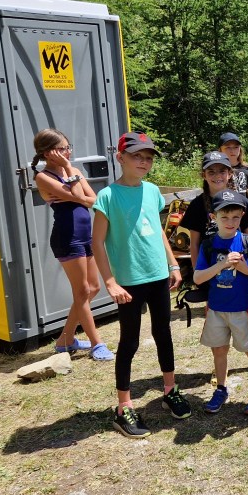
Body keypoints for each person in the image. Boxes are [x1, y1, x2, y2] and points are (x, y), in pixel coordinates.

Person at [93, 132, 190, 439]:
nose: (144, 162)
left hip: (158, 276)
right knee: (129, 342)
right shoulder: (107, 196)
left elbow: (158, 231)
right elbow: (96, 243)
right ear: (120, 158)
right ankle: (123, 407)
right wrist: (110, 282)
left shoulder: (152, 191)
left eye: (148, 157)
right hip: (129, 282)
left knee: (163, 334)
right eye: (137, 156)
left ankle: (170, 390)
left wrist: (172, 264)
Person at [31, 129, 113, 361]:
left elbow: (94, 200)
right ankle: (97, 343)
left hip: (87, 235)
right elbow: (78, 196)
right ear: (49, 152)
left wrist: (76, 188)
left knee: (93, 288)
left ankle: (65, 340)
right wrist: (70, 176)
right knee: (82, 291)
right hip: (67, 237)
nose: (68, 152)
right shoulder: (43, 177)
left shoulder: (74, 171)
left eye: (68, 147)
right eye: (63, 148)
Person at [193, 190, 248, 416]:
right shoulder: (208, 244)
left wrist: (245, 269)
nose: (230, 222)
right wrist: (222, 264)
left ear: (242, 216)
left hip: (242, 308)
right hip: (216, 309)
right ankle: (221, 389)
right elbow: (198, 278)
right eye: (224, 217)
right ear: (213, 217)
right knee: (219, 350)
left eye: (235, 217)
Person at [179, 151, 248, 284]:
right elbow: (194, 244)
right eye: (211, 172)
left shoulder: (241, 201)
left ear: (230, 173)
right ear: (203, 175)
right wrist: (197, 272)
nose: (217, 176)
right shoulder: (197, 205)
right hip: (209, 268)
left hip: (238, 267)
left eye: (222, 171)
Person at [219, 132, 248, 213]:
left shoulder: (247, 169)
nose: (232, 151)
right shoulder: (217, 170)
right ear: (220, 150)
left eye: (236, 147)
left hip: (244, 212)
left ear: (240, 149)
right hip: (225, 213)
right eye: (228, 147)